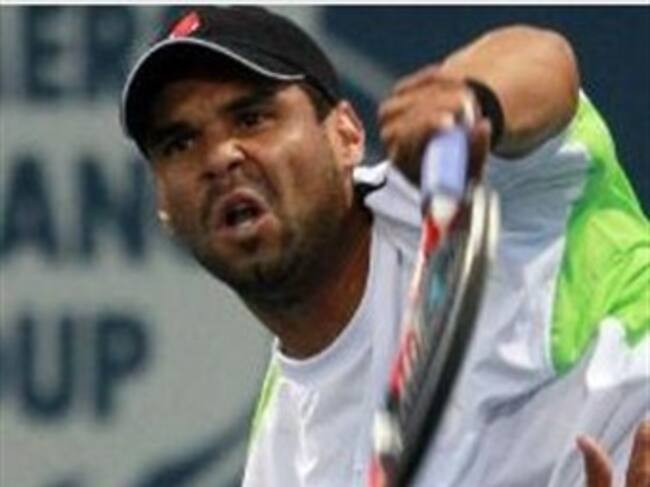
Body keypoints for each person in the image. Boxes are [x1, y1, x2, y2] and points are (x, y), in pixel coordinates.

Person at [119, 6, 649, 486]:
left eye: (252, 117)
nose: (220, 157)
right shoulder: (280, 465)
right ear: (164, 208)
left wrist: (468, 100)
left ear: (347, 135)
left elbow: (542, 62)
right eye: (180, 143)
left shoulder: (462, 184)